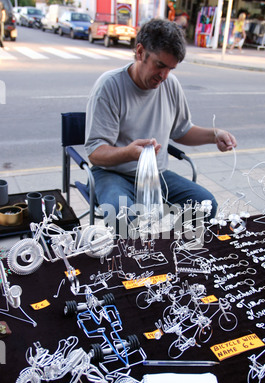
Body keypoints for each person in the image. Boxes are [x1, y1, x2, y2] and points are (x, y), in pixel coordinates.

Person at [85, 18, 236, 233]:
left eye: (170, 69)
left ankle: (179, 258)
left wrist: (215, 134)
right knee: (123, 216)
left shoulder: (170, 84)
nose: (164, 76)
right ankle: (129, 263)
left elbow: (182, 131)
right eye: (159, 65)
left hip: (157, 174)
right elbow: (95, 153)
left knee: (205, 205)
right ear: (140, 52)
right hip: (113, 174)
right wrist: (129, 153)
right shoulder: (110, 86)